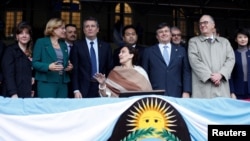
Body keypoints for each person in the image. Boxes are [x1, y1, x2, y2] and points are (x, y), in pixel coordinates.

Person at [188, 14, 235, 98]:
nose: (202, 25)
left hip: (221, 87)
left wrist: (221, 74)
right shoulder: (194, 42)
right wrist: (211, 77)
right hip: (203, 88)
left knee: (221, 109)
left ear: (213, 25)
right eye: (200, 23)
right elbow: (194, 61)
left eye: (205, 22)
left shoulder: (224, 42)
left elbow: (231, 59)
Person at [141, 22, 191, 98]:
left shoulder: (181, 50)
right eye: (160, 32)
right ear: (157, 36)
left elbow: (186, 72)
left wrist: (186, 91)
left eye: (166, 31)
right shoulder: (148, 51)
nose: (164, 34)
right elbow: (144, 74)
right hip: (155, 93)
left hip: (177, 92)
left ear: (171, 35)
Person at [70, 16, 113, 98]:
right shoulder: (77, 45)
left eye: (93, 26)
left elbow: (109, 68)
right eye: (87, 26)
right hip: (83, 88)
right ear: (83, 30)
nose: (90, 28)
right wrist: (76, 90)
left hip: (101, 86)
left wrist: (107, 85)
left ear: (98, 29)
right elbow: (75, 70)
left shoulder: (106, 46)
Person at [32, 18, 73, 98]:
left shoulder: (63, 44)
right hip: (46, 82)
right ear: (53, 29)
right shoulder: (41, 42)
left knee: (61, 109)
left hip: (63, 82)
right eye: (62, 28)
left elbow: (65, 62)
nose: (64, 31)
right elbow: (35, 63)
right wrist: (48, 67)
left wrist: (69, 67)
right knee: (48, 108)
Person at [1, 21, 34, 98]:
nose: (24, 36)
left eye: (27, 33)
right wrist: (13, 93)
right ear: (17, 36)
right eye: (21, 33)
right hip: (13, 94)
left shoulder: (32, 52)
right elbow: (8, 74)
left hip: (27, 92)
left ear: (30, 36)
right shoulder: (10, 51)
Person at [229, 27, 250, 100]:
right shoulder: (232, 54)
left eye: (245, 37)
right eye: (240, 37)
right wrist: (232, 92)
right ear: (236, 39)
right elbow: (230, 75)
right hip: (238, 91)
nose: (243, 39)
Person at [64, 23, 77, 98]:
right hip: (63, 80)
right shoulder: (59, 46)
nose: (73, 34)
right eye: (70, 32)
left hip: (76, 81)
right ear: (64, 33)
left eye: (75, 32)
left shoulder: (80, 46)